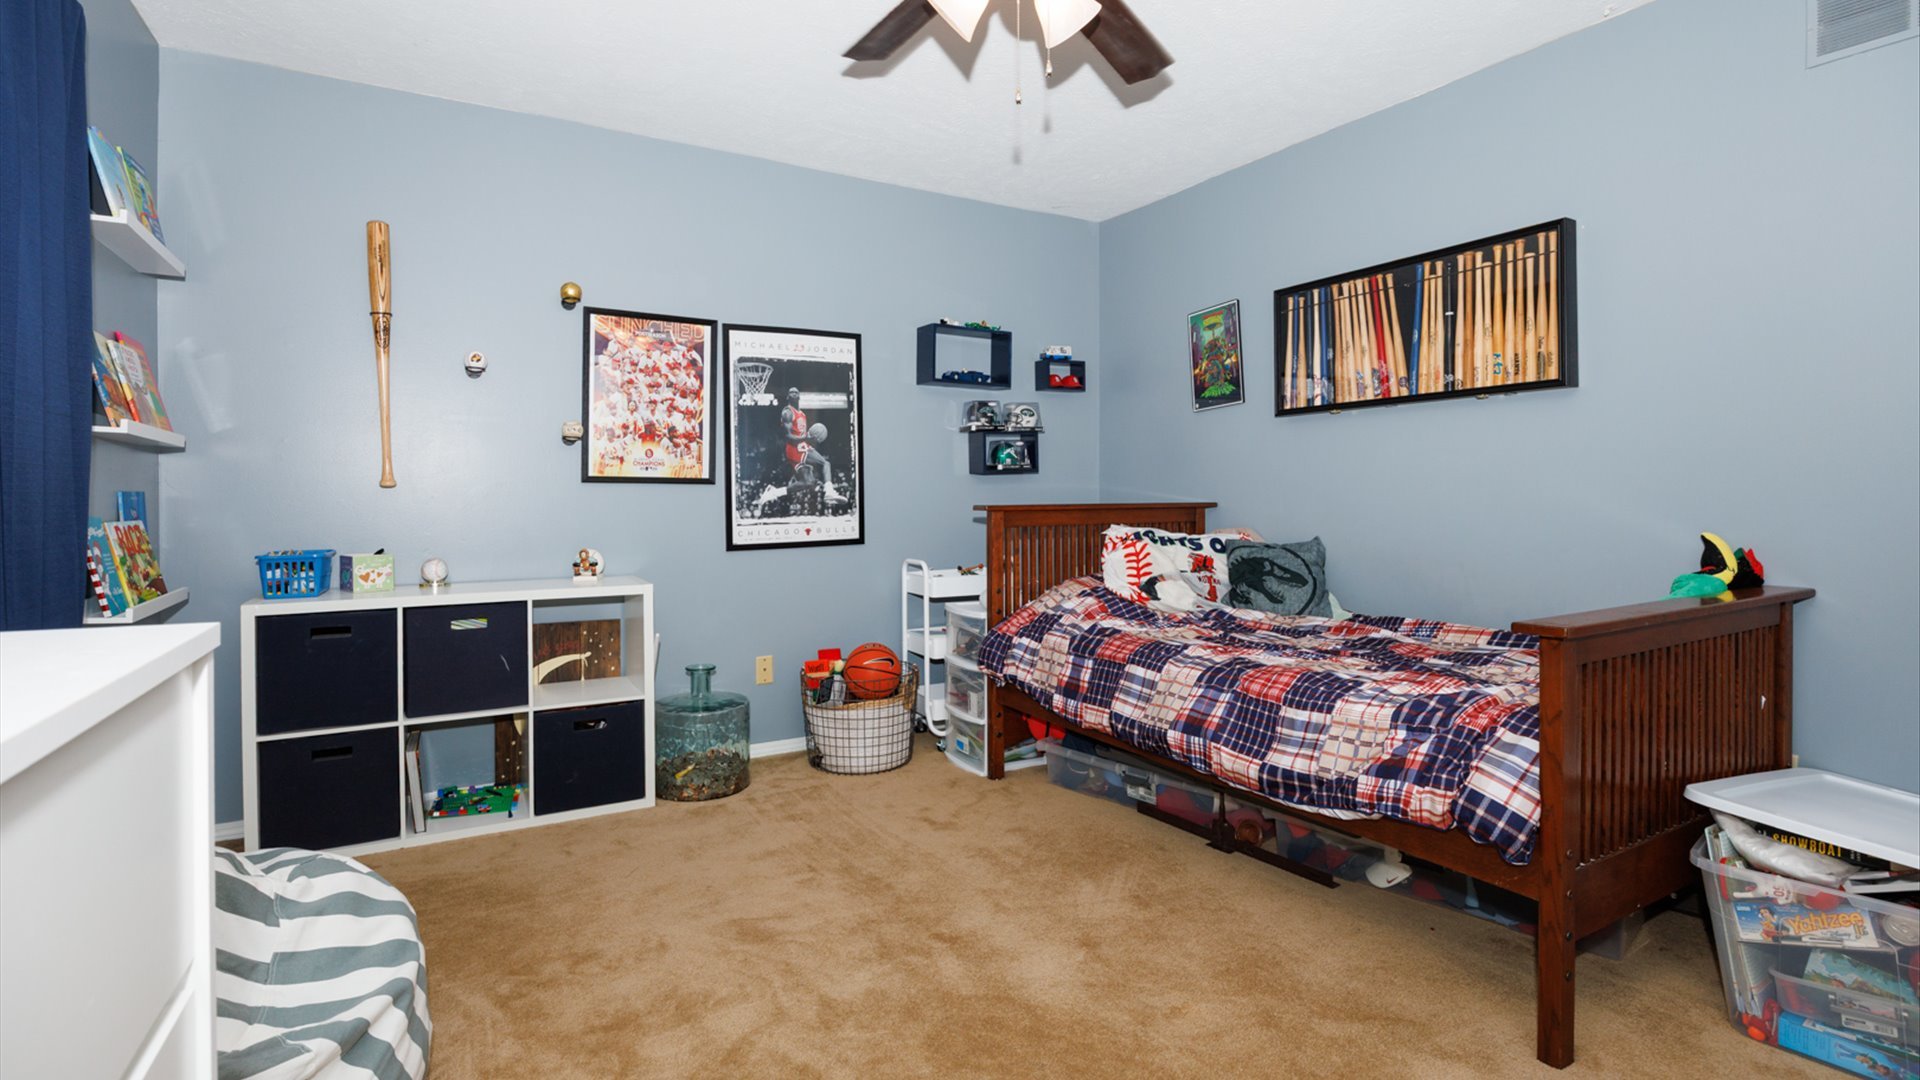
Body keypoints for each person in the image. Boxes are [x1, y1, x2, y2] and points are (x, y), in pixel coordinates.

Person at [780, 387, 832, 493]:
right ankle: (829, 491)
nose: (794, 394)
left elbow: (801, 434)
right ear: (787, 397)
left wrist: (809, 437)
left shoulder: (802, 414)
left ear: (799, 396)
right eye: (791, 392)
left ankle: (775, 492)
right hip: (794, 448)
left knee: (807, 483)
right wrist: (807, 438)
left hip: (802, 446)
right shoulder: (787, 412)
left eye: (796, 392)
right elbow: (788, 436)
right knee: (825, 464)